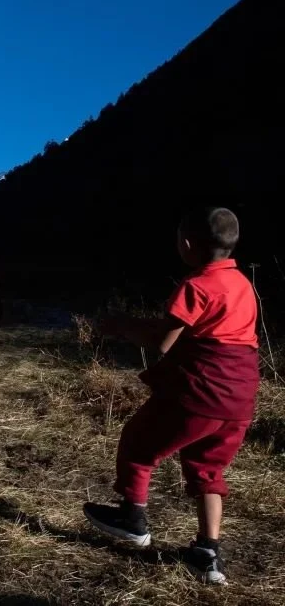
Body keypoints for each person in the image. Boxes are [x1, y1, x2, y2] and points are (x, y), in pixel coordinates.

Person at [83, 207, 259, 586]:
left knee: (138, 444)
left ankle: (132, 519)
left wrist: (122, 326)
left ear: (188, 244)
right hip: (240, 398)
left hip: (201, 393)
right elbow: (203, 332)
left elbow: (161, 342)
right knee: (207, 469)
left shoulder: (196, 285)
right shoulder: (242, 283)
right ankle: (207, 553)